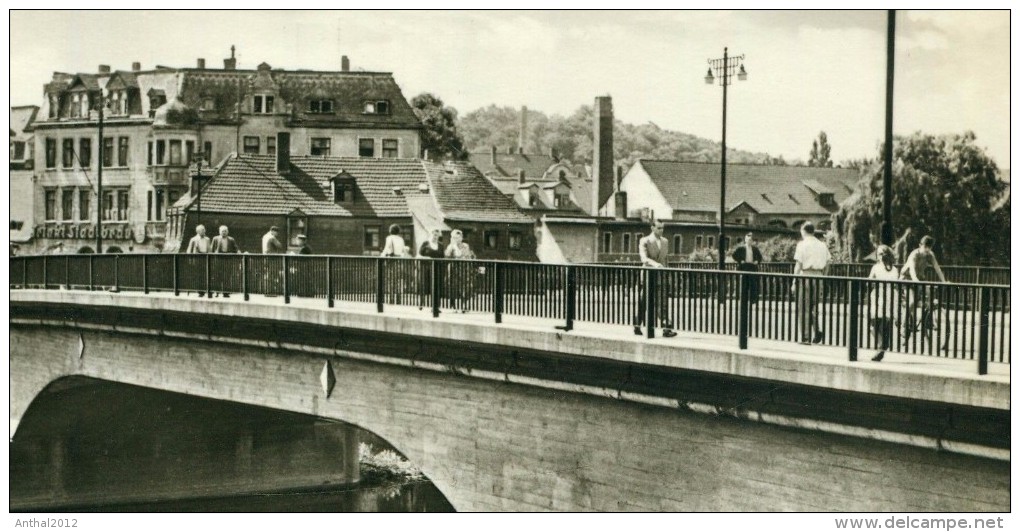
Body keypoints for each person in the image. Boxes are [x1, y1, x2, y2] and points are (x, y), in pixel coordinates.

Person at [634, 220, 677, 338]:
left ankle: (666, 328)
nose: (661, 230)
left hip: (660, 276)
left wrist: (667, 274)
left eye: (662, 228)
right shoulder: (645, 241)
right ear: (652, 228)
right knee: (644, 302)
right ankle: (637, 324)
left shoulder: (665, 241)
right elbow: (644, 258)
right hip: (648, 275)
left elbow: (665, 259)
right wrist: (655, 264)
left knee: (662, 302)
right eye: (658, 228)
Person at [900, 235, 947, 338]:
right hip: (907, 278)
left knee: (930, 296)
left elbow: (937, 269)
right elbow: (912, 270)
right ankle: (903, 327)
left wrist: (944, 281)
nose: (927, 250)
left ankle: (928, 322)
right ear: (920, 245)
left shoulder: (930, 255)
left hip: (920, 278)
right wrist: (915, 280)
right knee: (912, 301)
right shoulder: (914, 255)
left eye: (929, 247)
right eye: (925, 247)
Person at [793, 221, 831, 345]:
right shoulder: (822, 244)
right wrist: (824, 277)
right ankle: (816, 330)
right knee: (813, 307)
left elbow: (798, 264)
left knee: (803, 307)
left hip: (806, 275)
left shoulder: (802, 244)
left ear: (803, 231)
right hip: (819, 276)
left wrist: (794, 281)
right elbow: (828, 263)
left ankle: (805, 336)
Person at [867, 245, 898, 361]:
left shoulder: (876, 267)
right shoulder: (894, 269)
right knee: (885, 324)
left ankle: (881, 347)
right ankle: (883, 345)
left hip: (879, 296)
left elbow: (869, 281)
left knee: (873, 325)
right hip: (891, 296)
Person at [444, 229, 475, 312]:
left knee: (466, 287)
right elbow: (447, 255)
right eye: (454, 237)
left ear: (461, 237)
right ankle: (453, 307)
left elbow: (467, 256)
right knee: (453, 287)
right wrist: (453, 246)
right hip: (454, 269)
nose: (456, 239)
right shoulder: (450, 246)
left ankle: (464, 305)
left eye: (458, 237)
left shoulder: (465, 246)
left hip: (464, 268)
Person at [731, 232, 764, 305]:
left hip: (752, 267)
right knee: (743, 284)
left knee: (752, 284)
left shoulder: (755, 249)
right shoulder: (741, 248)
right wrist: (740, 261)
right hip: (744, 267)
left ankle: (753, 300)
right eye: (748, 240)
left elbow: (760, 257)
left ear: (752, 241)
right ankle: (743, 300)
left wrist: (757, 261)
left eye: (751, 240)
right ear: (745, 240)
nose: (749, 241)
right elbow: (734, 255)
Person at [417, 229, 445, 310]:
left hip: (437, 269)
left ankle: (435, 307)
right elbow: (418, 256)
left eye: (437, 235)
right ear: (430, 234)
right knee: (424, 286)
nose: (435, 237)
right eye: (434, 234)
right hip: (425, 268)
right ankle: (421, 304)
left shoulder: (441, 245)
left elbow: (442, 257)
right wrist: (427, 258)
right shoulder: (425, 244)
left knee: (436, 287)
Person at [211, 225, 240, 298]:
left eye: (225, 231)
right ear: (219, 232)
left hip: (227, 259)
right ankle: (216, 292)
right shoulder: (215, 239)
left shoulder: (231, 239)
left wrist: (240, 253)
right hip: (218, 259)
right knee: (217, 276)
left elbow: (236, 248)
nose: (224, 232)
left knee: (227, 276)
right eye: (222, 231)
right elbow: (211, 249)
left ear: (228, 232)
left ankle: (226, 292)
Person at [186, 224, 212, 297]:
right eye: (202, 230)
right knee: (198, 275)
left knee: (206, 274)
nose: (204, 231)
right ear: (198, 231)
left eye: (204, 229)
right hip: (197, 258)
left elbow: (209, 249)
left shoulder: (207, 239)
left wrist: (210, 257)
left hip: (205, 258)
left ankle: (207, 290)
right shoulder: (193, 239)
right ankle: (200, 291)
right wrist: (190, 259)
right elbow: (189, 250)